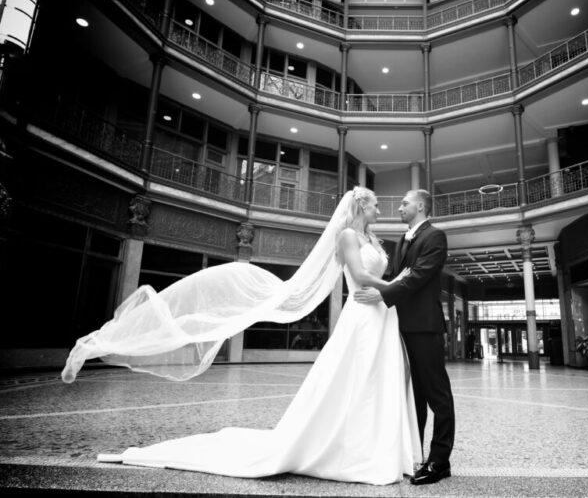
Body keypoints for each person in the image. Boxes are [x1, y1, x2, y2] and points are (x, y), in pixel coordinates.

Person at [60, 187, 421, 485]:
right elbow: (358, 275)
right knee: (355, 379)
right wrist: (401, 284)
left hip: (381, 314)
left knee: (378, 380)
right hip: (362, 313)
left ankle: (377, 446)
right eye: (375, 204)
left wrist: (391, 291)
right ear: (361, 204)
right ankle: (349, 448)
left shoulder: (371, 236)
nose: (380, 210)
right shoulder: (346, 235)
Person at [353, 189, 456, 486]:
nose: (398, 207)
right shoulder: (403, 239)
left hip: (425, 326)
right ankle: (415, 454)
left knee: (437, 394)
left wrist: (381, 295)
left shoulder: (435, 236)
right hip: (401, 326)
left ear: (420, 206)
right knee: (415, 396)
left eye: (404, 203)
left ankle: (439, 461)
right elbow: (399, 275)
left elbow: (419, 275)